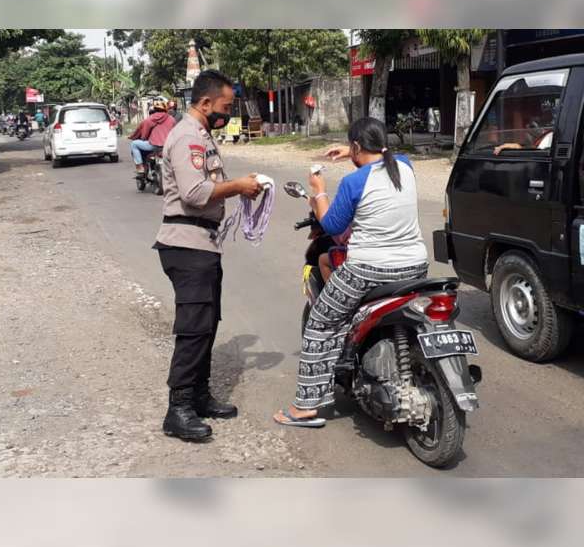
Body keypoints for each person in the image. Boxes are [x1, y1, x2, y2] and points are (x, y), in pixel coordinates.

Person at [273, 117, 428, 428]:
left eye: (354, 147)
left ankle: (306, 406)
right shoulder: (406, 166)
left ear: (358, 146)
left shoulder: (353, 183)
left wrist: (318, 190)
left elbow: (331, 225)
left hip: (369, 270)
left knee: (320, 322)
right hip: (416, 266)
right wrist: (353, 151)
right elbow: (385, 157)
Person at [153, 69, 264, 441]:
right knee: (194, 328)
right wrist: (237, 186)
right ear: (204, 103)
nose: (228, 113)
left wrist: (240, 189)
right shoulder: (187, 137)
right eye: (226, 107)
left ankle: (199, 396)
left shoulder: (200, 135)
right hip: (185, 245)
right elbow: (196, 194)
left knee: (207, 324)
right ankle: (178, 408)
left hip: (202, 244)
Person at [128, 100, 176, 174]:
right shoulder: (172, 119)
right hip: (168, 146)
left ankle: (140, 166)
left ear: (154, 109)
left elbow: (143, 132)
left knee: (134, 144)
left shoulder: (150, 119)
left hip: (153, 146)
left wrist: (140, 137)